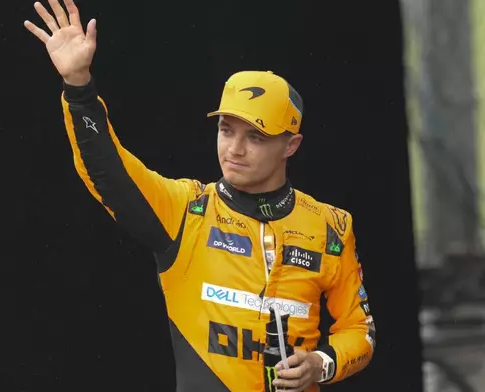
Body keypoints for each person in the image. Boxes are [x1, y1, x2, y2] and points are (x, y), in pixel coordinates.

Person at [24, 1, 376, 391]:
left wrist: (321, 363)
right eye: (227, 130)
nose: (235, 149)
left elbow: (359, 331)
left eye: (255, 137)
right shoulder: (187, 211)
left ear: (291, 146)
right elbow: (108, 173)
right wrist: (78, 88)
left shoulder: (331, 225)